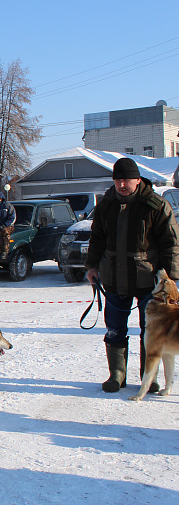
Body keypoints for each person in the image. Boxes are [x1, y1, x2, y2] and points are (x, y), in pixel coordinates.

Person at [85, 157, 179, 393]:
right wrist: (91, 266)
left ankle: (150, 376)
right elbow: (96, 238)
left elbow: (171, 243)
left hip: (149, 279)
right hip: (113, 277)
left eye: (126, 180)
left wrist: (172, 278)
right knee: (114, 328)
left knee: (152, 331)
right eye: (117, 180)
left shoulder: (156, 205)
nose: (122, 185)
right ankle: (116, 375)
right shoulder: (106, 205)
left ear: (138, 180)